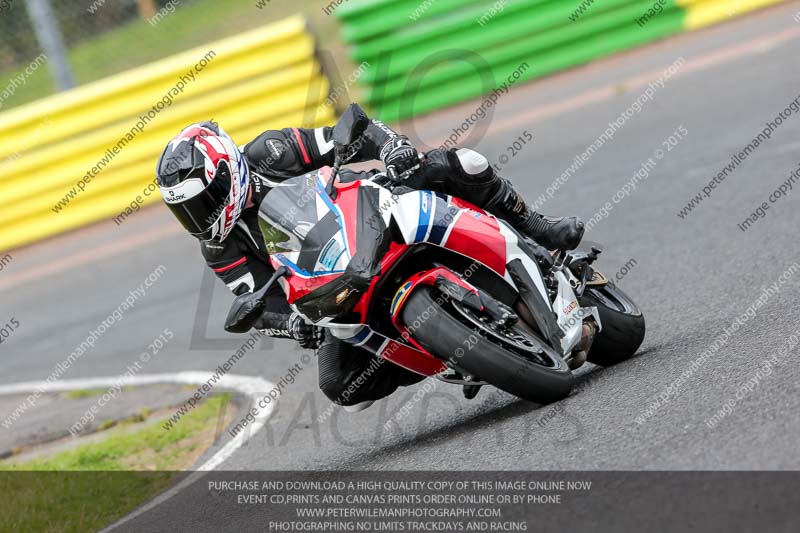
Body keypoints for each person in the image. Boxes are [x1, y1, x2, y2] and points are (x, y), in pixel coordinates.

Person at [155, 115, 583, 410]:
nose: (200, 217)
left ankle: (536, 227)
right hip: (331, 285)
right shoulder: (219, 247)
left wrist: (393, 147)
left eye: (203, 202)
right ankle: (449, 353)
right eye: (187, 211)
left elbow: (353, 134)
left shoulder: (272, 149)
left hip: (372, 214)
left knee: (454, 163)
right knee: (337, 383)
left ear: (228, 171)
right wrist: (291, 324)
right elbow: (257, 301)